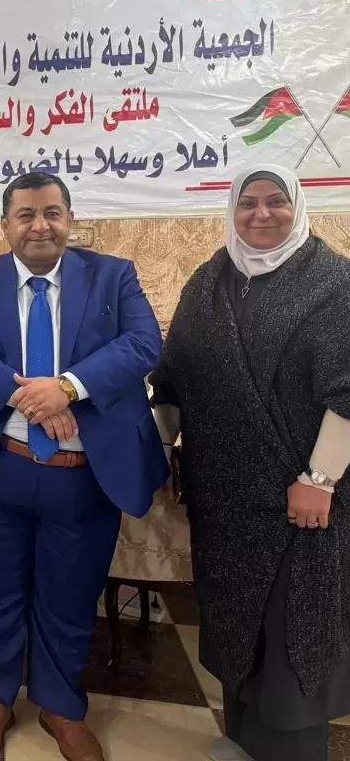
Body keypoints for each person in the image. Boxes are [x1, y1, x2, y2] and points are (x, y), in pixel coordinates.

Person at [0, 171, 165, 761]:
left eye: (52, 213)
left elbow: (143, 343)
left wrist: (67, 388)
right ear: (5, 224)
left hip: (82, 475)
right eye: (26, 215)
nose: (40, 226)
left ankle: (61, 704)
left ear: (69, 219)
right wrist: (29, 396)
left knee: (70, 593)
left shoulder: (114, 276)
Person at [150, 165, 350, 761]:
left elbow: (347, 392)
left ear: (298, 206)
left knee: (291, 636)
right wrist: (157, 454)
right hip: (224, 498)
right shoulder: (208, 280)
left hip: (301, 498)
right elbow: (173, 379)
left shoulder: (333, 282)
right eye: (249, 203)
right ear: (232, 210)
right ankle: (242, 744)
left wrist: (320, 480)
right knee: (237, 629)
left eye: (276, 201)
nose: (262, 214)